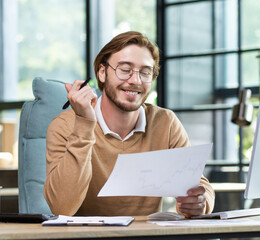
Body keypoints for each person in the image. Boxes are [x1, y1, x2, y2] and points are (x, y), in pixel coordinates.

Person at [43, 31, 215, 217]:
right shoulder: (64, 126)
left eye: (145, 72)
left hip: (147, 236)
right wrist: (85, 124)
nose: (135, 80)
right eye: (125, 70)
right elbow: (61, 208)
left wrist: (200, 202)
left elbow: (198, 183)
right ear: (102, 72)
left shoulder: (166, 122)